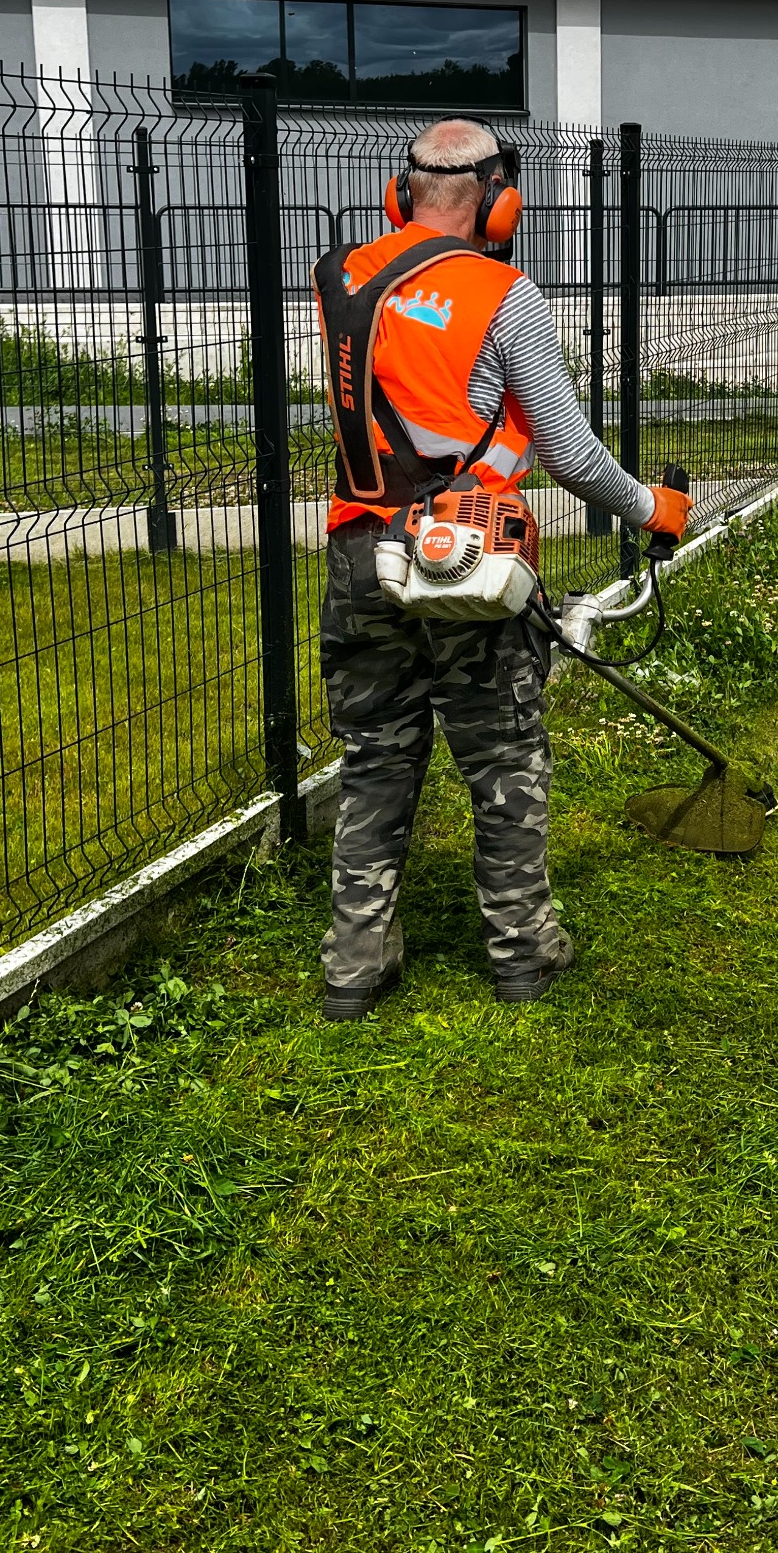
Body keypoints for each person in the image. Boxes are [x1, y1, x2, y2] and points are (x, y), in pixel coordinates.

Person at [312, 116, 691, 1019]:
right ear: (499, 197)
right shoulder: (505, 293)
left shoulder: (341, 277)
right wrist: (653, 509)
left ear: (400, 194)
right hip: (469, 563)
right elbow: (566, 448)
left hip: (362, 555)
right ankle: (523, 954)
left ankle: (354, 969)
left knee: (374, 762)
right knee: (503, 761)